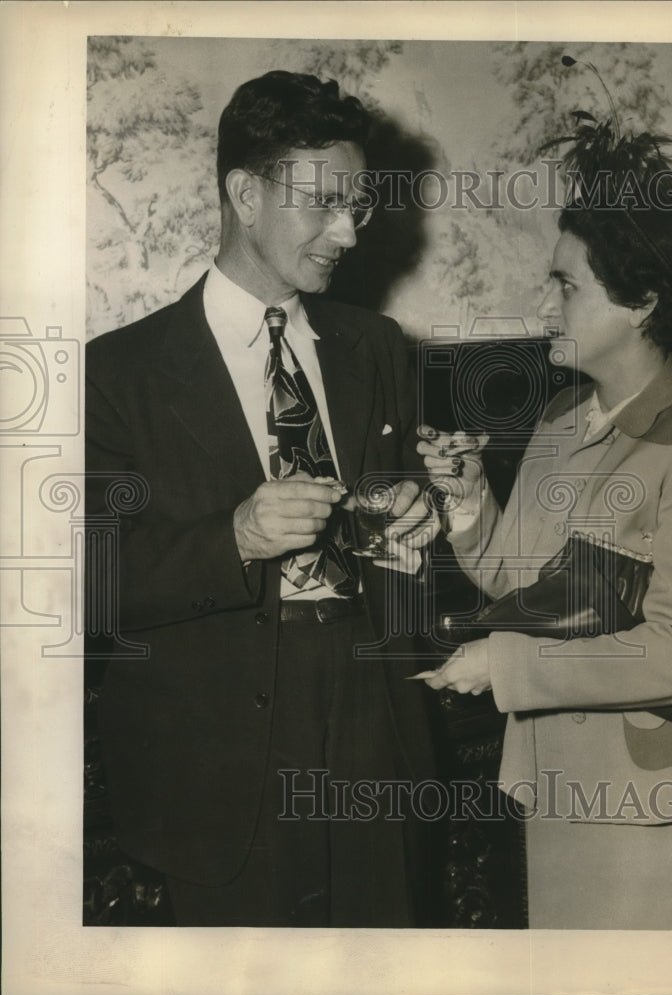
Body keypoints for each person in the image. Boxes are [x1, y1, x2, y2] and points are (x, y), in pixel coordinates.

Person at [85, 70, 441, 928]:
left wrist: (425, 520)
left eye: (357, 206)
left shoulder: (378, 347)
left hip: (372, 726)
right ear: (244, 193)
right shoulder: (119, 373)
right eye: (323, 204)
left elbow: (413, 550)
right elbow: (83, 587)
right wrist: (236, 536)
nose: (348, 232)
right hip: (214, 757)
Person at [418, 143, 672, 930]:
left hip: (657, 798)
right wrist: (470, 504)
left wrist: (503, 664)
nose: (544, 306)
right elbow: (522, 590)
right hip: (555, 786)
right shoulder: (557, 422)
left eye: (565, 284)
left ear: (641, 300)